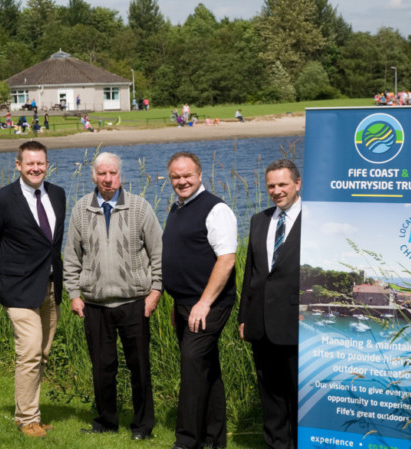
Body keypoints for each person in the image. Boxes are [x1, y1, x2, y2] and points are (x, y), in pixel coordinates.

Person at [64, 152, 161, 440]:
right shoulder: (81, 209)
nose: (108, 179)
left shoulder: (140, 208)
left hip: (135, 302)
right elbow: (71, 257)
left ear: (121, 175)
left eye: (113, 173)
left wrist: (156, 290)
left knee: (139, 367)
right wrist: (73, 293)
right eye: (102, 174)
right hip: (94, 304)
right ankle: (106, 422)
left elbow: (158, 253)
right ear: (94, 176)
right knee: (102, 368)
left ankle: (143, 425)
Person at [0, 141, 66, 438]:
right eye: (29, 163)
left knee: (41, 353)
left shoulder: (57, 194)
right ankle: (28, 419)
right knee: (29, 351)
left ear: (47, 163)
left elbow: (52, 244)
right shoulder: (1, 200)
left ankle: (27, 414)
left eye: (40, 163)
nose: (35, 168)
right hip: (18, 290)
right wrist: (6, 276)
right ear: (18, 165)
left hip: (51, 288)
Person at [162, 152, 237, 449]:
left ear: (200, 175)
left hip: (208, 306)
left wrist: (203, 303)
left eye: (187, 175)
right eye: (176, 177)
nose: (182, 181)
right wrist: (177, 302)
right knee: (207, 369)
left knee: (192, 367)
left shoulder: (216, 209)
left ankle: (187, 441)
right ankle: (214, 438)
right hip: (184, 305)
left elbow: (227, 260)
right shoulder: (177, 207)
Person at [239, 159, 301, 449]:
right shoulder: (259, 220)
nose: (277, 191)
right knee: (270, 393)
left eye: (282, 184)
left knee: (297, 392)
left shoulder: (315, 220)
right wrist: (243, 317)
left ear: (297, 184)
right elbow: (250, 274)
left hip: (298, 323)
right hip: (260, 322)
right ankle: (277, 444)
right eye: (271, 186)